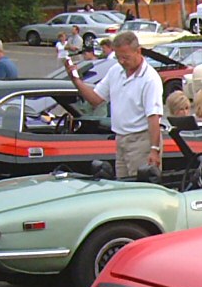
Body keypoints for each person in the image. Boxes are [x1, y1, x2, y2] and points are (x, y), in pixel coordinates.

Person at [64, 30, 163, 178]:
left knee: (139, 187)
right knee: (122, 185)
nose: (122, 61)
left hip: (141, 140)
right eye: (118, 57)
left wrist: (154, 150)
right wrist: (76, 80)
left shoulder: (150, 79)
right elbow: (96, 99)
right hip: (120, 139)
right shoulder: (116, 71)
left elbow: (154, 117)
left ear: (138, 51)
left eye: (126, 57)